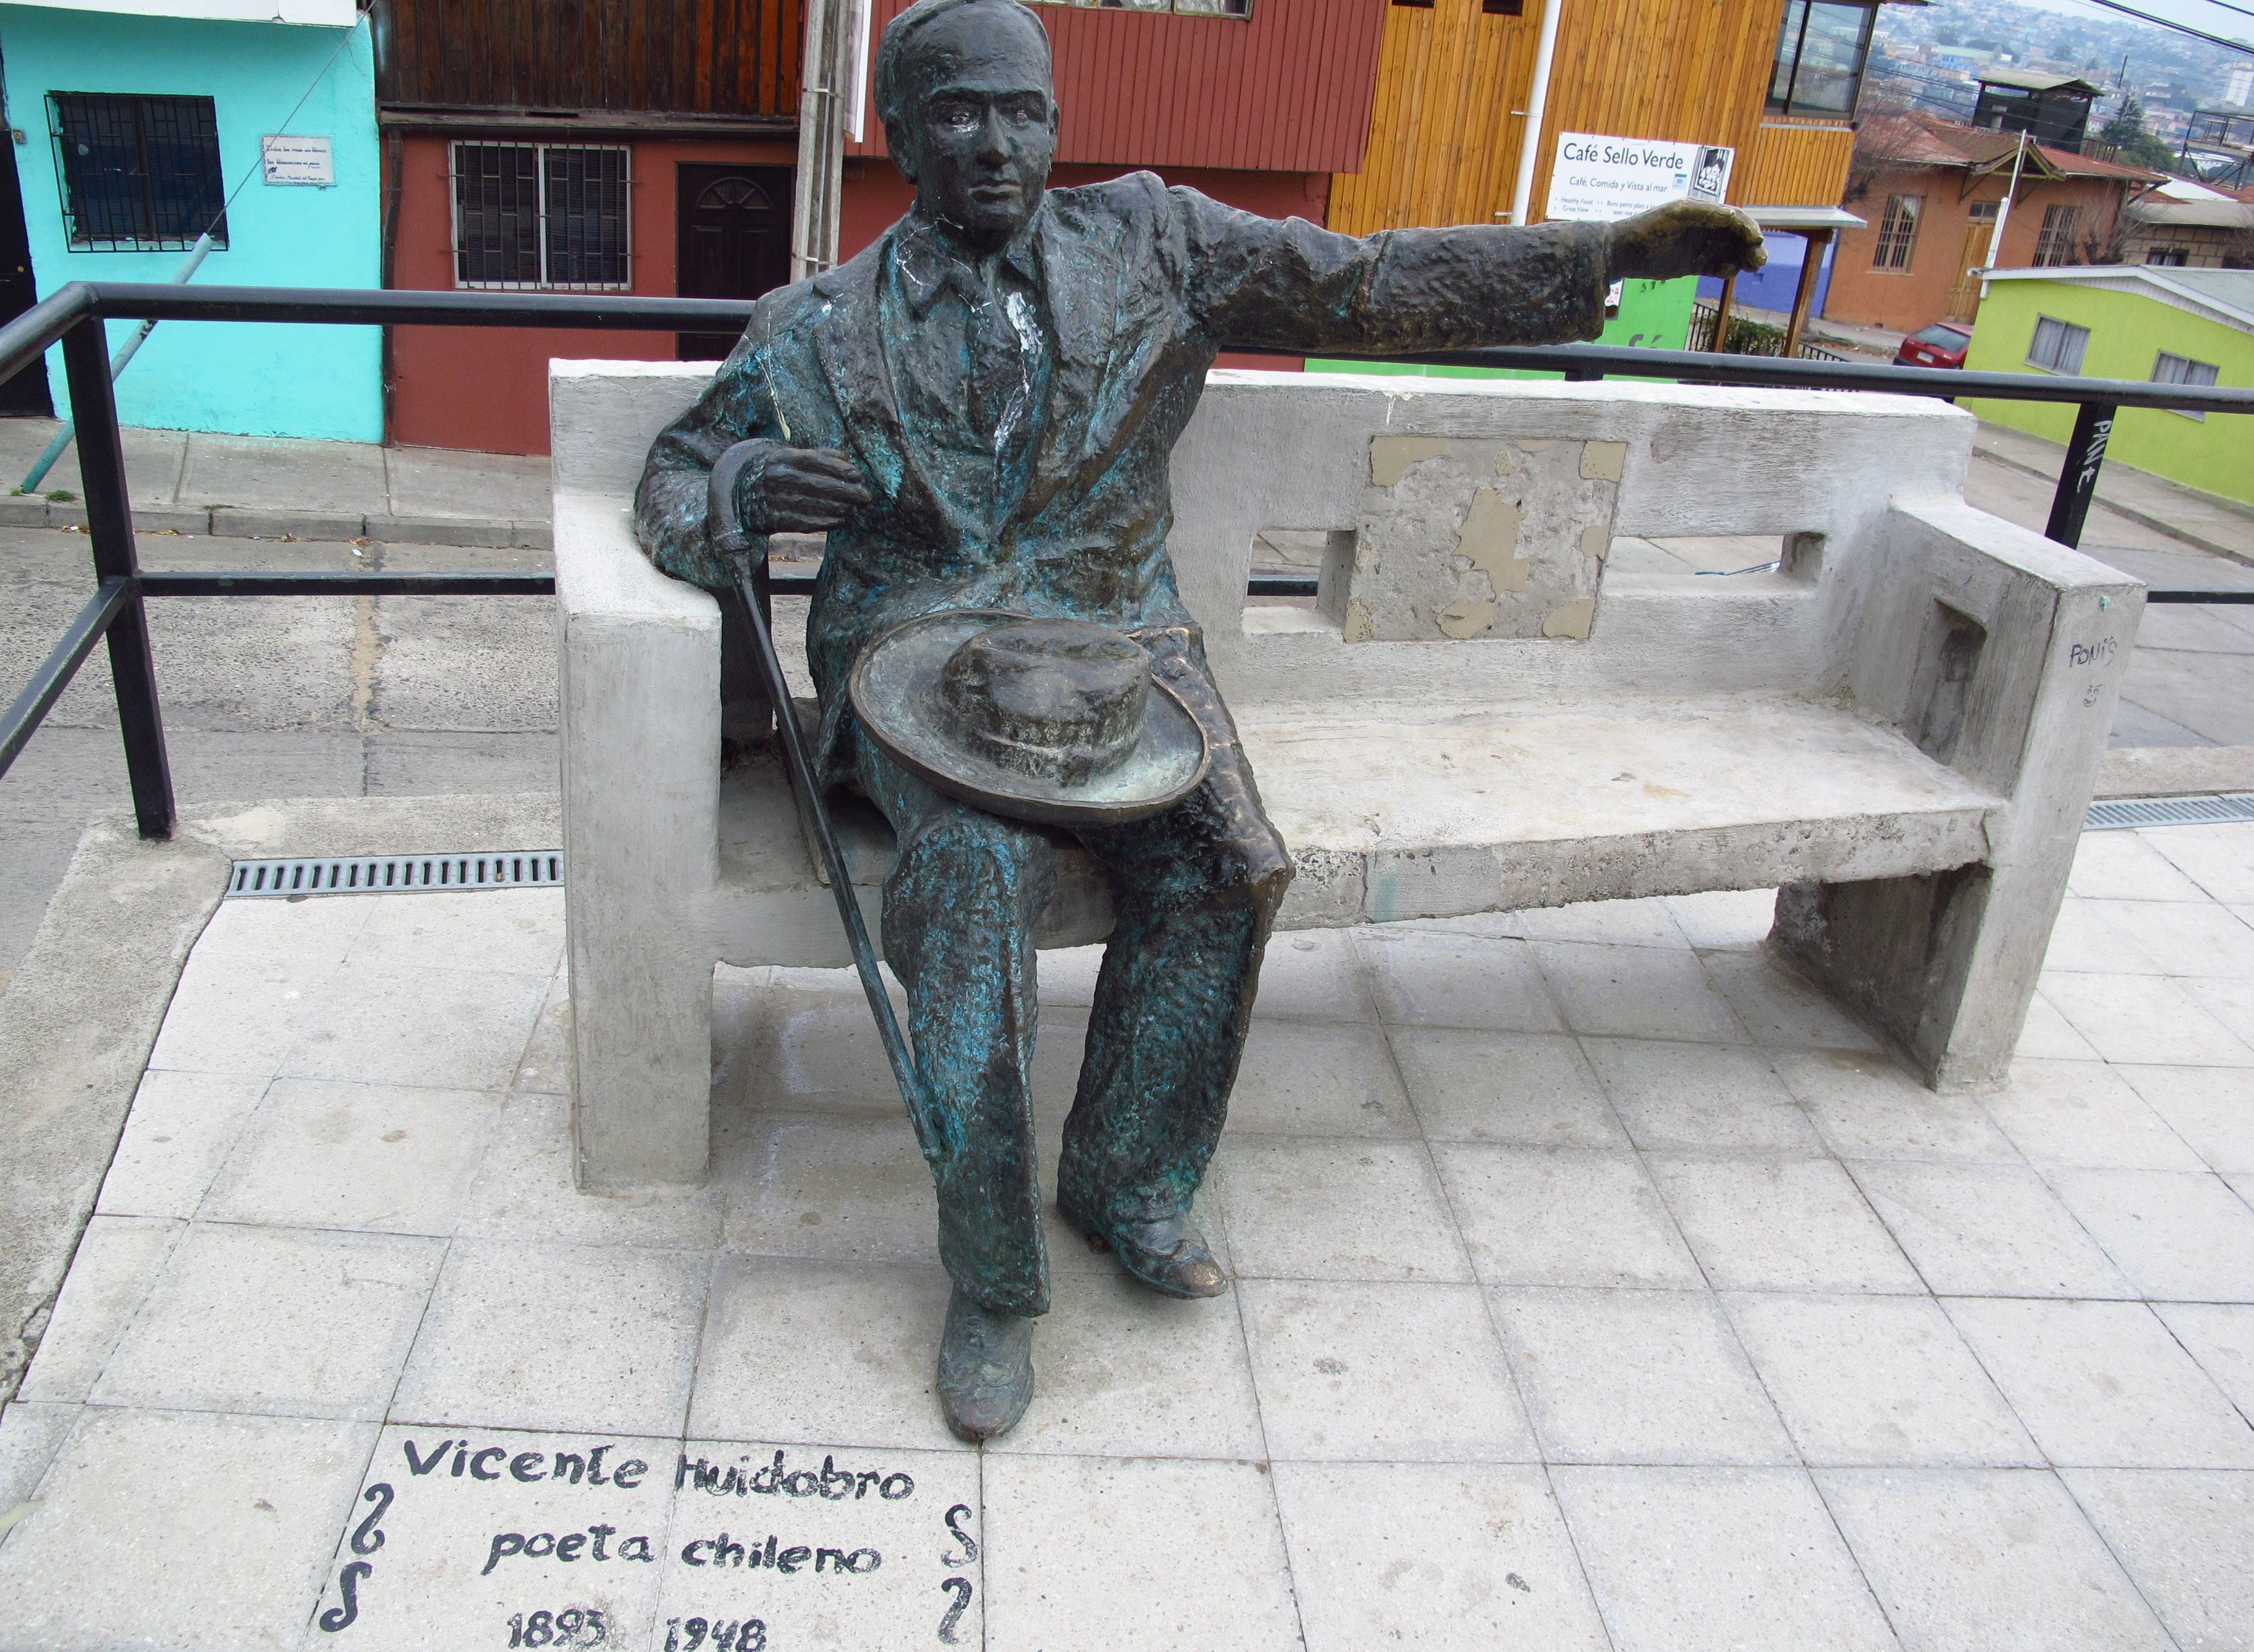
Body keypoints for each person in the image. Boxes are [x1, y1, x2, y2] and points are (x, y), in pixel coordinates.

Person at [636, 0, 1764, 1441]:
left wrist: (1591, 262)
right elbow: (674, 481)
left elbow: (1362, 283)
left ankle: (1129, 1182)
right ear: (903, 133)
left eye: (1026, 111)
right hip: (914, 668)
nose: (1001, 142)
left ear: (1059, 121)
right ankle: (993, 1283)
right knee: (970, 889)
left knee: (1227, 861)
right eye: (964, 113)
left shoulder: (1158, 242)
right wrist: (728, 499)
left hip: (1124, 650)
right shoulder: (816, 328)